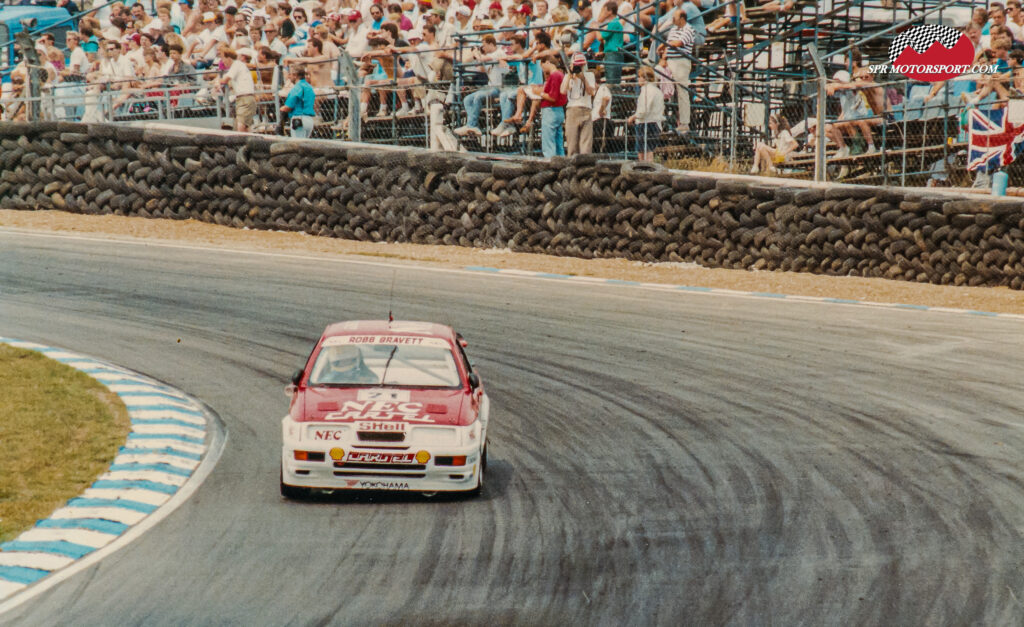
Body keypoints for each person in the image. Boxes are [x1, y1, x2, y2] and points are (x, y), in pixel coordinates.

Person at [662, 9, 695, 134]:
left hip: (681, 62)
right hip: (670, 61)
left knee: (682, 92)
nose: (673, 20)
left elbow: (678, 43)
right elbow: (669, 44)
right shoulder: (673, 29)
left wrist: (665, 45)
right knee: (663, 88)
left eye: (674, 17)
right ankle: (662, 119)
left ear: (682, 18)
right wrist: (664, 57)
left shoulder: (689, 29)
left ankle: (684, 123)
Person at [560, 52, 596, 155]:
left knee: (586, 144)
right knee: (572, 143)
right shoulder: (568, 76)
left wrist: (583, 79)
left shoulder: (589, 75)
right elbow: (562, 91)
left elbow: (592, 92)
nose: (579, 68)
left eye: (581, 66)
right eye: (577, 66)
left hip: (586, 109)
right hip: (572, 110)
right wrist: (570, 75)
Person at [627, 66, 664, 162]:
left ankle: (645, 170)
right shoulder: (657, 91)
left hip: (646, 123)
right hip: (655, 122)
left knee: (644, 151)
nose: (638, 79)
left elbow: (644, 109)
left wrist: (634, 117)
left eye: (640, 77)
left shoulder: (647, 90)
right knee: (648, 149)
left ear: (645, 78)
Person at [218, 47, 256, 131]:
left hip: (246, 99)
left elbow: (224, 80)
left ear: (228, 58)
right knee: (245, 127)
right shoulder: (235, 66)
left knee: (240, 127)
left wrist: (217, 82)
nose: (222, 62)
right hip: (241, 99)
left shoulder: (237, 64)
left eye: (223, 58)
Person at [539, 57, 567, 157]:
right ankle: (561, 163)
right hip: (559, 110)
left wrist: (541, 94)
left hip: (551, 110)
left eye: (542, 66)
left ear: (547, 62)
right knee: (558, 142)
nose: (543, 70)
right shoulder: (560, 74)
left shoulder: (554, 75)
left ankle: (550, 164)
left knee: (548, 143)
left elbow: (552, 97)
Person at [281, 66, 317, 137]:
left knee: (297, 145)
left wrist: (281, 110)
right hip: (309, 120)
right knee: (304, 145)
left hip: (299, 119)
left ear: (295, 75)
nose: (289, 76)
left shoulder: (297, 87)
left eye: (290, 74)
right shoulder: (309, 86)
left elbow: (288, 107)